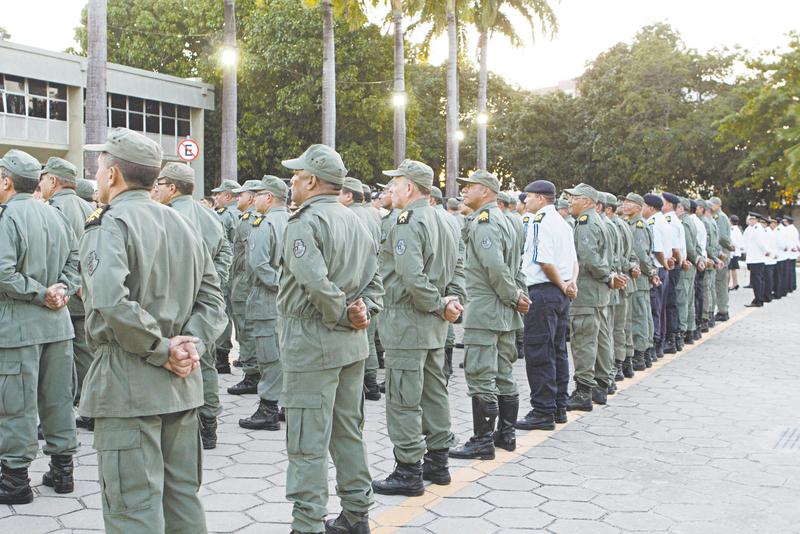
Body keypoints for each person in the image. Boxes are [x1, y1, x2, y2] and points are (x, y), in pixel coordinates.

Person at [81, 128, 226, 533]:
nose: (97, 175)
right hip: (181, 384)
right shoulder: (183, 223)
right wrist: (189, 346)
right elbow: (214, 299)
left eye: (100, 168)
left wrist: (163, 349)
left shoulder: (108, 225)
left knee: (133, 509)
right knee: (182, 501)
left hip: (129, 382)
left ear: (113, 175)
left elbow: (110, 301)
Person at [278, 144, 383, 534]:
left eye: (296, 175)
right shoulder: (357, 220)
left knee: (307, 439)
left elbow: (314, 282)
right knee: (347, 431)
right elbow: (375, 281)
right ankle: (356, 513)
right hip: (352, 343)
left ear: (311, 180)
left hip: (312, 341)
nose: (291, 182)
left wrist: (341, 312)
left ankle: (306, 523)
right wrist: (363, 312)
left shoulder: (303, 222)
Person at [372, 159, 463, 496]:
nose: (391, 189)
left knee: (403, 398)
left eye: (395, 183)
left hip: (408, 321)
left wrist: (439, 303)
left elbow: (411, 276)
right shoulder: (445, 219)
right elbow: (459, 267)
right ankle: (438, 462)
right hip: (435, 324)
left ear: (409, 187)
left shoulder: (407, 221)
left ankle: (408, 470)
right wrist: (452, 300)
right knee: (434, 392)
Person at [0, 149, 80, 504]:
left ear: (6, 181)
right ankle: (63, 472)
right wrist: (62, 290)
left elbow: (3, 272)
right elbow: (75, 262)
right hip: (58, 326)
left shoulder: (7, 218)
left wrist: (39, 293)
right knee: (58, 399)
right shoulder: (54, 214)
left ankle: (15, 480)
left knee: (15, 405)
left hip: (19, 329)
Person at [448, 170, 527, 460]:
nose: (464, 191)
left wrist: (513, 295)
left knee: (481, 374)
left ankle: (482, 441)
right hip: (504, 311)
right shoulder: (508, 220)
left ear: (485, 191)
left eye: (469, 186)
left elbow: (495, 267)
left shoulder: (485, 222)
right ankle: (506, 434)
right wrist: (518, 295)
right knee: (503, 373)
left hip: (486, 309)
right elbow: (515, 266)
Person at [154, 162, 233, 449]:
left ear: (172, 187)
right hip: (206, 301)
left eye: (160, 184)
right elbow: (226, 252)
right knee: (205, 361)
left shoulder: (164, 216)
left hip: (174, 302)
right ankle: (208, 424)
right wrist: (214, 281)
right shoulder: (210, 215)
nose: (156, 190)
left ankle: (180, 424)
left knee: (174, 358)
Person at [38, 157, 95, 427]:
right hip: (86, 292)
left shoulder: (54, 208)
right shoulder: (89, 207)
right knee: (86, 354)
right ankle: (92, 408)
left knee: (60, 360)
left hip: (63, 292)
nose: (40, 184)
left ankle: (62, 415)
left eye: (43, 178)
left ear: (53, 180)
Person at [515, 180, 576, 431]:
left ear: (540, 198)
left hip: (543, 291)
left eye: (528, 197)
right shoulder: (563, 223)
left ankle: (542, 410)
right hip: (560, 292)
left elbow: (544, 262)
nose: (525, 201)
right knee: (558, 350)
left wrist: (562, 284)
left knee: (539, 351)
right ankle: (558, 405)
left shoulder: (539, 221)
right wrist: (570, 284)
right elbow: (574, 261)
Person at [564, 183, 624, 411]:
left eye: (575, 197)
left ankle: (583, 391)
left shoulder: (586, 223)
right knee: (600, 339)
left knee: (584, 341)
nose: (570, 201)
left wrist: (607, 276)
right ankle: (600, 385)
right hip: (598, 292)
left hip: (588, 292)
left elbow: (589, 259)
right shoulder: (598, 220)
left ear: (587, 201)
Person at [239, 176, 289, 431]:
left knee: (269, 355)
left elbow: (258, 264)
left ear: (269, 197)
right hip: (288, 299)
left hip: (267, 297)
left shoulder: (263, 223)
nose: (254, 199)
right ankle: (286, 404)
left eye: (258, 194)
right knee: (284, 352)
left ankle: (268, 408)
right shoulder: (292, 219)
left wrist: (278, 285)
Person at [339, 177, 383, 401]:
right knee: (369, 333)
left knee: (358, 334)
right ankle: (371, 382)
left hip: (355, 282)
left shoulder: (347, 216)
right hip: (373, 280)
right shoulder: (374, 213)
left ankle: (364, 383)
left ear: (348, 196)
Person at [227, 180, 263, 392]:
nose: (236, 198)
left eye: (240, 195)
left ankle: (252, 375)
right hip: (242, 278)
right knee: (246, 327)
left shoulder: (249, 221)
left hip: (244, 280)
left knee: (246, 328)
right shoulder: (248, 218)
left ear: (250, 198)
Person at [622, 193, 659, 371]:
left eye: (629, 202)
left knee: (638, 316)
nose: (625, 204)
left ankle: (640, 353)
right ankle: (646, 352)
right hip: (640, 276)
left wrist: (650, 272)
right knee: (642, 314)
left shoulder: (638, 226)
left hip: (639, 276)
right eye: (624, 202)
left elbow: (641, 255)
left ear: (639, 207)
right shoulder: (631, 223)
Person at [210, 179, 241, 374]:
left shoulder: (223, 216)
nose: (216, 197)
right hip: (241, 272)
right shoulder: (245, 214)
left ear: (228, 195)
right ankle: (246, 355)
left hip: (226, 271)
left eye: (219, 194)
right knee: (240, 314)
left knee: (222, 312)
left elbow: (221, 245)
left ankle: (222, 356)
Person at [643, 194, 671, 361]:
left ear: (651, 208)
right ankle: (659, 342)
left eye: (644, 206)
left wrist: (664, 263)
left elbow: (657, 250)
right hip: (662, 268)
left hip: (657, 268)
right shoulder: (663, 221)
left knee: (654, 308)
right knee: (660, 308)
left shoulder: (653, 223)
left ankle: (655, 344)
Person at [661, 192, 685, 354]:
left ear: (669, 205)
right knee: (671, 301)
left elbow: (675, 248)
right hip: (675, 264)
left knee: (669, 302)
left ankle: (671, 338)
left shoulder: (669, 221)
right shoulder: (673, 220)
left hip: (672, 264)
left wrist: (677, 262)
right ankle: (674, 338)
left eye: (663, 202)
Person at [709, 197, 732, 321]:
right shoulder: (717, 216)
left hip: (722, 252)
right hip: (721, 253)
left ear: (718, 205)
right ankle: (722, 309)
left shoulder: (720, 217)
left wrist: (729, 246)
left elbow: (722, 237)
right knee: (718, 283)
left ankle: (723, 310)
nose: (711, 206)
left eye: (712, 204)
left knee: (720, 283)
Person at [743, 213, 767, 307]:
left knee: (757, 280)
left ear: (756, 220)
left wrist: (765, 252)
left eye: (752, 219)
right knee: (757, 280)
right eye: (750, 219)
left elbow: (761, 243)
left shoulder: (757, 229)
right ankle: (758, 299)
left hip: (757, 259)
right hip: (755, 259)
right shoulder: (754, 228)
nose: (750, 221)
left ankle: (758, 300)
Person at [729, 214, 743, 290]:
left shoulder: (732, 229)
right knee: (733, 269)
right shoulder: (737, 229)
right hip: (736, 252)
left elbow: (732, 239)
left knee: (731, 269)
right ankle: (735, 283)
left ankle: (734, 284)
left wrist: (732, 245)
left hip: (733, 252)